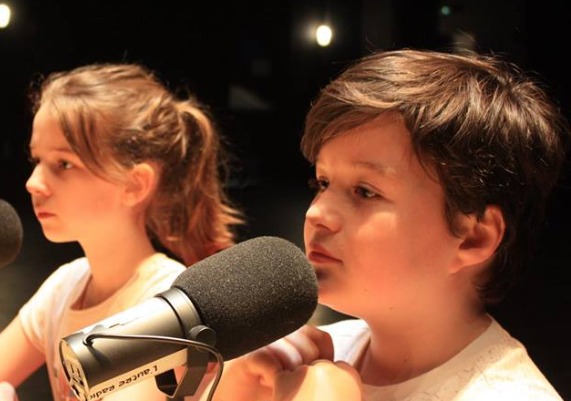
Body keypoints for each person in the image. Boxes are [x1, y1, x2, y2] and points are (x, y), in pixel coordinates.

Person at [209, 49, 568, 401]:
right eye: (322, 183)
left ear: (472, 238)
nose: (316, 213)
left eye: (365, 192)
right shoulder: (319, 352)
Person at [0, 63, 244, 401]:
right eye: (37, 160)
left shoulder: (168, 306)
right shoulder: (64, 286)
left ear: (135, 184)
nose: (33, 183)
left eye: (64, 164)